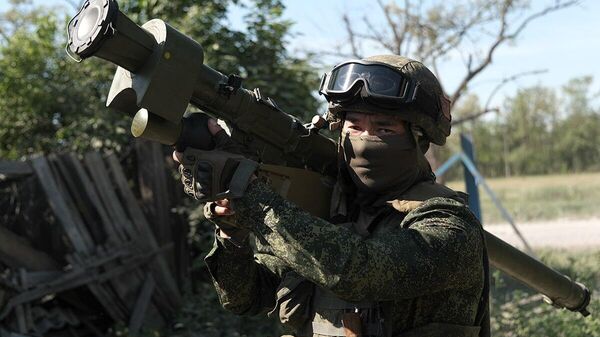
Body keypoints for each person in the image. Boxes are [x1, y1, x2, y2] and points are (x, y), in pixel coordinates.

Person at [174, 55, 489, 337]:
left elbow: (359, 271)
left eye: (384, 129)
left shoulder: (448, 225)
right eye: (354, 126)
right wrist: (233, 231)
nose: (365, 140)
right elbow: (246, 299)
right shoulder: (328, 208)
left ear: (419, 139)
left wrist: (252, 194)